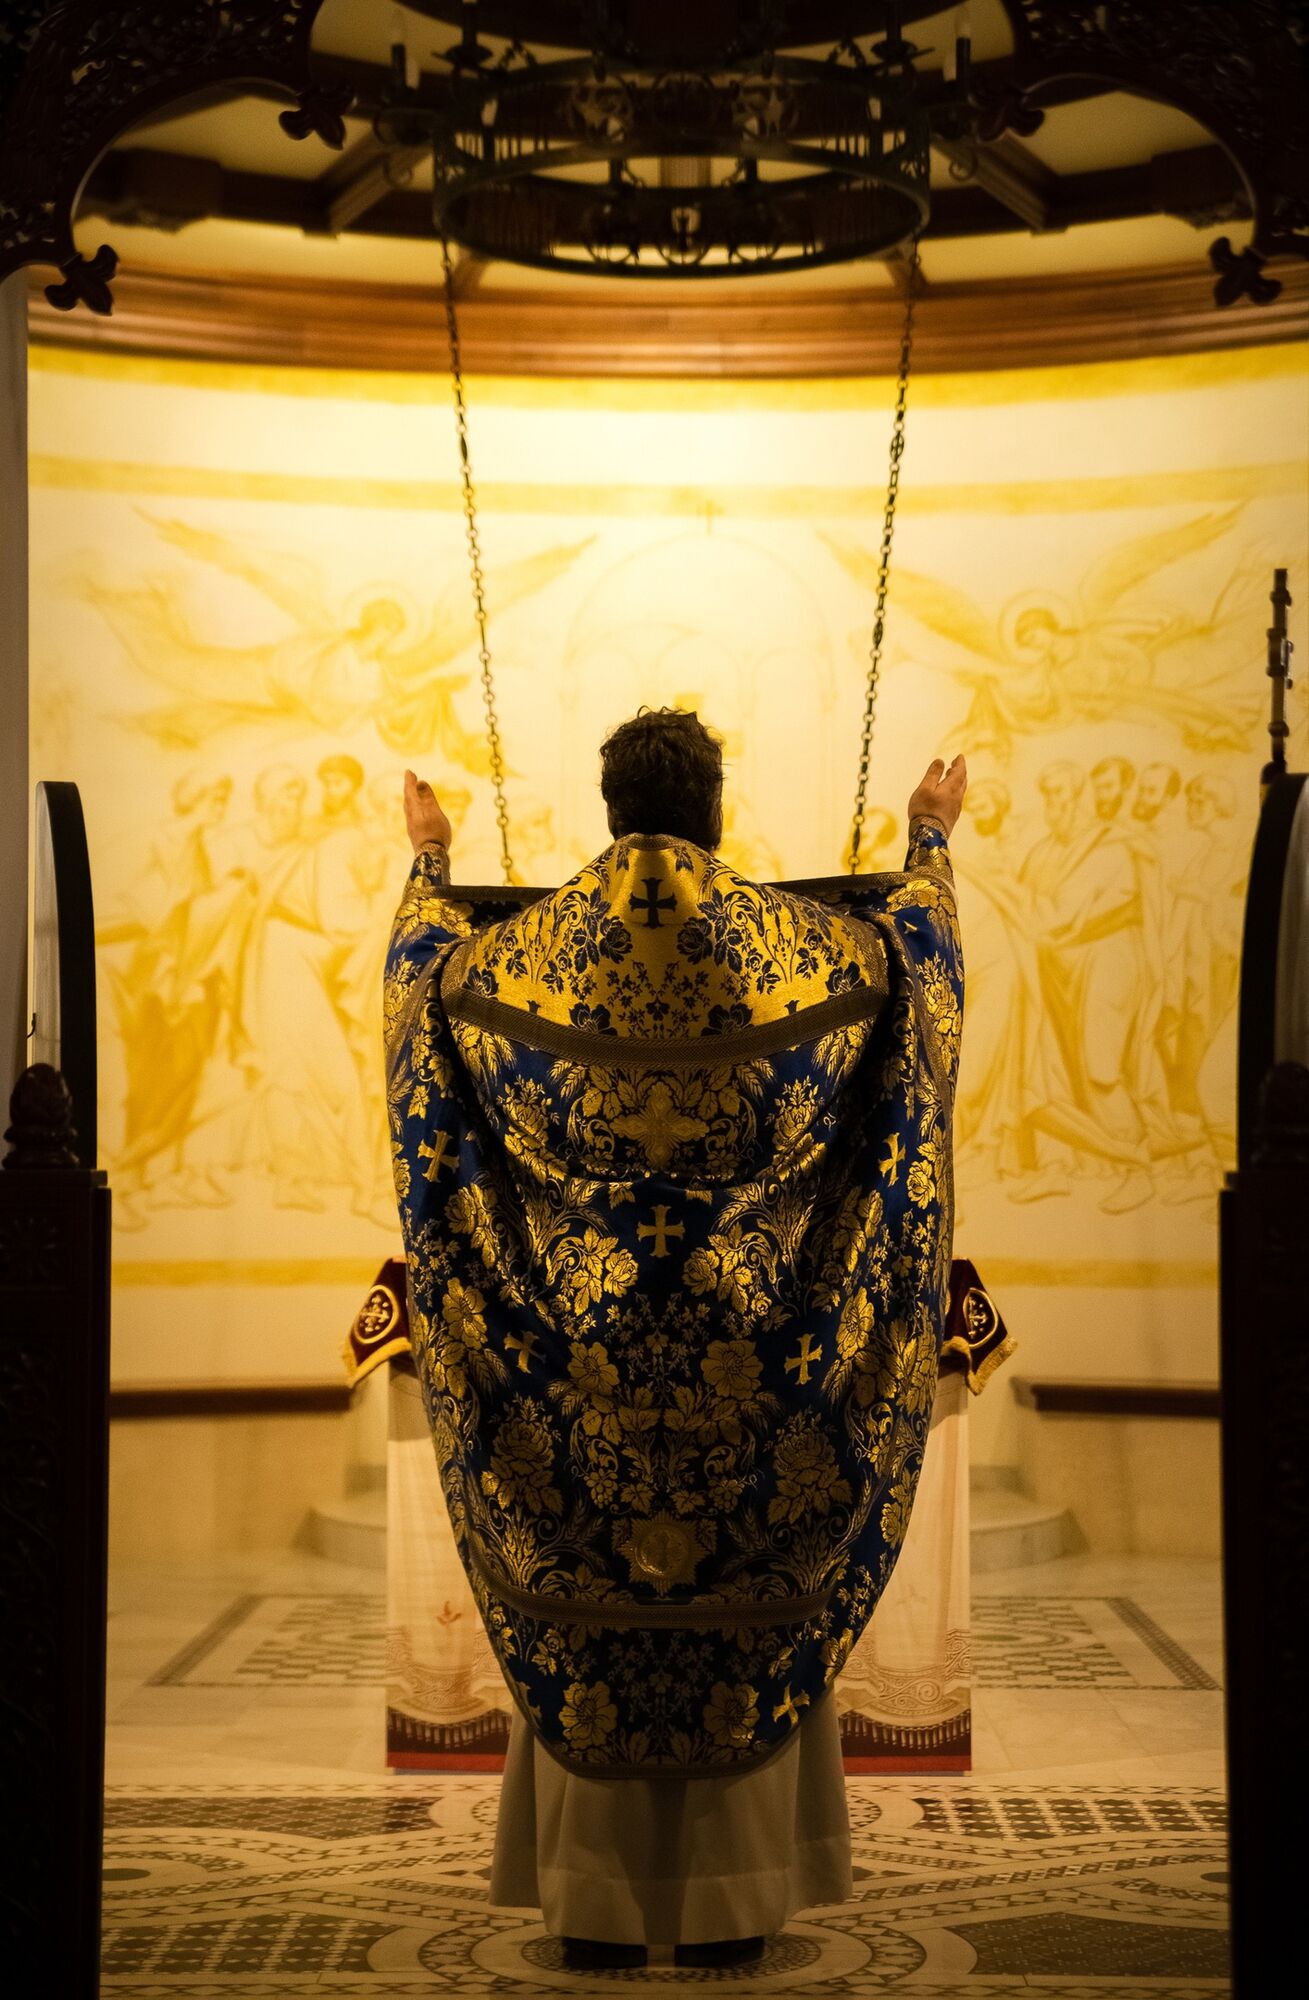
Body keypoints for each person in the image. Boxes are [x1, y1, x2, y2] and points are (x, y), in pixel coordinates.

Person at [384, 710, 966, 1969]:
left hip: (576, 1376)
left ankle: (591, 1904)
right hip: (755, 1374)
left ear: (609, 806)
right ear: (714, 807)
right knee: (742, 1609)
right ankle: (730, 1904)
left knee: (589, 1610)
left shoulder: (522, 959)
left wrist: (432, 860)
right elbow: (913, 967)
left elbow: (423, 982)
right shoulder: (800, 950)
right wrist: (926, 840)